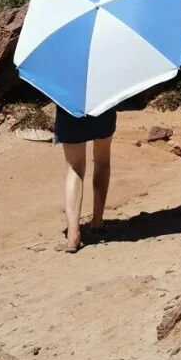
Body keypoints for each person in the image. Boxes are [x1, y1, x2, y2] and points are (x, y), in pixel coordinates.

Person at [55, 104, 115, 252]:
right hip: (102, 105)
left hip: (69, 109)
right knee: (102, 161)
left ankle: (73, 235)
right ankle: (97, 221)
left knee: (74, 168)